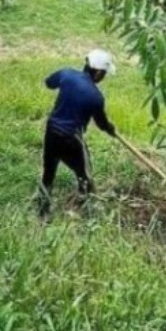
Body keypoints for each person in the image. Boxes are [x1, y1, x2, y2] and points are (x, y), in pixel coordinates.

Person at [38, 49, 117, 216]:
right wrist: (110, 129)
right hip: (71, 138)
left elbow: (49, 83)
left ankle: (43, 213)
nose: (103, 78)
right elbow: (101, 123)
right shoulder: (96, 97)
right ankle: (85, 209)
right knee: (85, 174)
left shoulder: (66, 74)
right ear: (97, 72)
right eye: (103, 74)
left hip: (51, 131)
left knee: (48, 172)